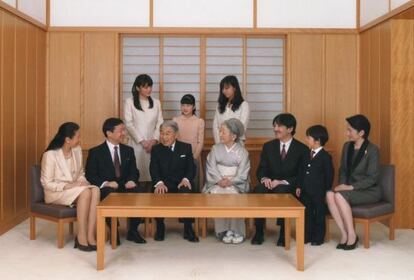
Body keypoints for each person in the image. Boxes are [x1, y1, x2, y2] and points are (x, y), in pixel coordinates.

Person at [85, 118, 146, 245]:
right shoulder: (95, 152)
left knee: (140, 192)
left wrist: (132, 180)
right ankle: (114, 231)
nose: (124, 133)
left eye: (124, 130)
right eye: (121, 131)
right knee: (108, 193)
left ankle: (133, 230)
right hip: (107, 188)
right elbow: (90, 175)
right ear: (109, 133)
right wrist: (105, 183)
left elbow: (134, 171)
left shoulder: (128, 150)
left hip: (125, 185)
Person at [41, 122, 100, 252]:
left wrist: (83, 182)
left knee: (95, 190)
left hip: (75, 189)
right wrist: (70, 185)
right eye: (78, 136)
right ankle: (81, 236)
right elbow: (47, 183)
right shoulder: (50, 155)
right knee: (85, 193)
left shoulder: (77, 151)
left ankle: (90, 235)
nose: (80, 139)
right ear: (68, 140)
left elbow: (80, 174)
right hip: (56, 192)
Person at [251, 113, 308, 246]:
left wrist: (282, 181)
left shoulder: (302, 149)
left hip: (288, 186)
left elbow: (302, 174)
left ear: (290, 129)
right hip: (270, 183)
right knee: (259, 190)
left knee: (282, 190)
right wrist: (265, 179)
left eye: (279, 126)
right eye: (275, 125)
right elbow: (261, 169)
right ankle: (259, 231)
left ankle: (283, 232)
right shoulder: (268, 146)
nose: (276, 129)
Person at [326, 114, 380, 250]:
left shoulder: (373, 150)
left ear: (361, 133)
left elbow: (372, 178)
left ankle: (352, 235)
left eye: (350, 130)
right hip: (349, 189)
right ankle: (344, 234)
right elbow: (342, 170)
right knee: (329, 195)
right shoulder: (347, 146)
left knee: (338, 195)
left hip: (368, 190)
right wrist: (342, 185)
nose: (347, 133)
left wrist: (349, 187)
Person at [149, 120, 198, 242]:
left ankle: (188, 227)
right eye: (162, 133)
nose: (164, 137)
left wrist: (186, 179)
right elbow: (153, 169)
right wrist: (159, 182)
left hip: (181, 182)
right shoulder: (156, 149)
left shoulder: (185, 147)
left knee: (187, 191)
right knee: (159, 191)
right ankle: (160, 226)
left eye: (168, 133)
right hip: (164, 183)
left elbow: (191, 167)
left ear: (176, 135)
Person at [203, 118, 250, 244]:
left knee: (234, 196)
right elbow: (211, 167)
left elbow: (243, 172)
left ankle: (236, 230)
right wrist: (218, 180)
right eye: (220, 131)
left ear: (234, 136)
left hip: (235, 183)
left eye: (223, 132)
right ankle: (223, 230)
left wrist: (231, 181)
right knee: (218, 195)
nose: (220, 134)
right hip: (218, 182)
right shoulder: (215, 149)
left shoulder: (242, 152)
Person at [295, 125, 334, 246]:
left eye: (308, 138)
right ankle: (307, 235)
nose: (306, 140)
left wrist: (326, 190)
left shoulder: (325, 157)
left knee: (319, 214)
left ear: (317, 141)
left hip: (318, 192)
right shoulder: (306, 154)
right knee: (307, 214)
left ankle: (318, 237)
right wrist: (299, 186)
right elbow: (301, 172)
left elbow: (329, 175)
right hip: (305, 190)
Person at [124, 74, 163, 184]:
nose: (149, 89)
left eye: (150, 86)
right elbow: (128, 123)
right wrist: (142, 141)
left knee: (152, 176)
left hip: (153, 145)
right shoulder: (129, 102)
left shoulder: (156, 102)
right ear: (137, 88)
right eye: (145, 87)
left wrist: (154, 140)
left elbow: (160, 122)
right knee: (136, 174)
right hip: (136, 144)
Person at [212, 75, 249, 144]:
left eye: (227, 88)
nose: (224, 91)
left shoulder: (244, 105)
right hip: (220, 143)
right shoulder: (219, 105)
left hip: (236, 143)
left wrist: (230, 142)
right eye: (222, 89)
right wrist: (219, 143)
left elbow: (242, 126)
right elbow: (215, 125)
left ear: (234, 88)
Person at [172, 94, 205, 160]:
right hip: (178, 155)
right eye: (183, 105)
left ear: (194, 107)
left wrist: (194, 157)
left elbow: (200, 142)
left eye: (188, 105)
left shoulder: (199, 121)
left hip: (193, 156)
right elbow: (172, 140)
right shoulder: (175, 120)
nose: (185, 108)